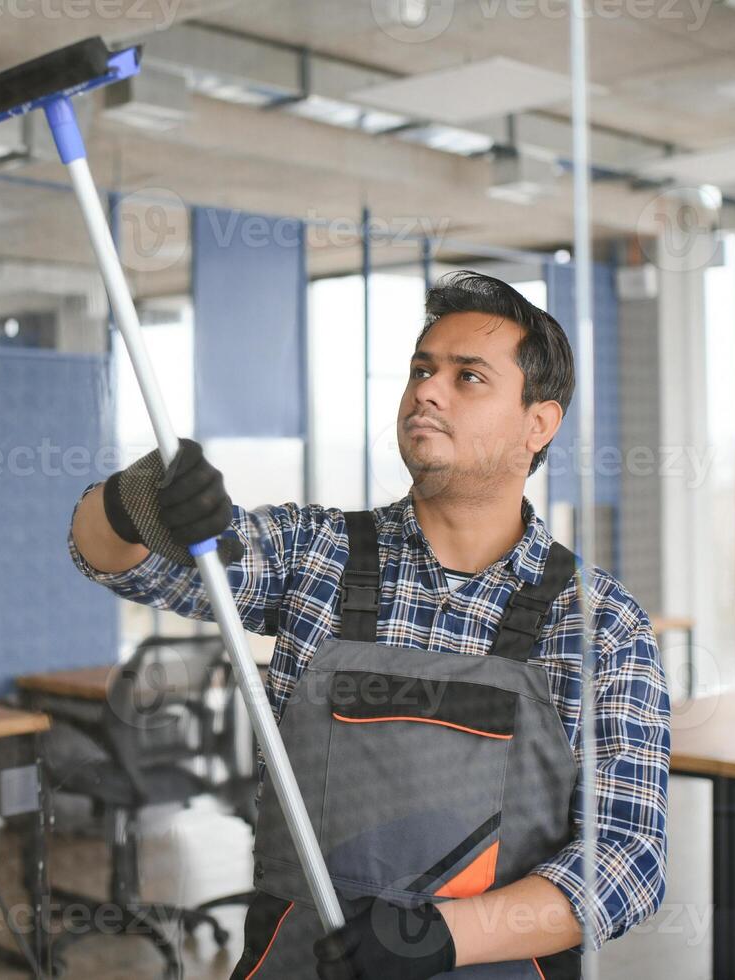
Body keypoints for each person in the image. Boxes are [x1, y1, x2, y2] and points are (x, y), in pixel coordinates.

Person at [68, 271, 669, 978]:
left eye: (467, 377)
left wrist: (444, 936)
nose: (426, 391)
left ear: (538, 423)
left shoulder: (598, 624)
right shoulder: (312, 555)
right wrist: (137, 500)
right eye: (421, 368)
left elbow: (628, 859)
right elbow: (114, 560)